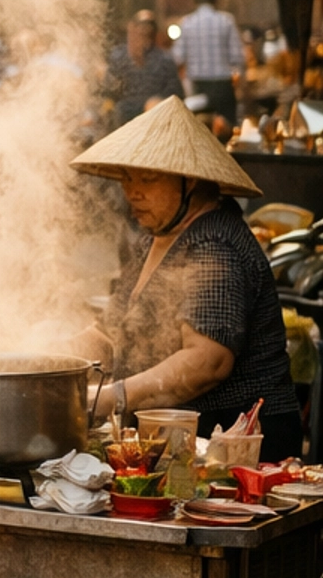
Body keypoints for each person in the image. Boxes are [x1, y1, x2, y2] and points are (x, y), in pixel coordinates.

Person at [74, 95, 301, 456]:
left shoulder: (214, 242)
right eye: (128, 177)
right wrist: (49, 366)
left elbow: (206, 362)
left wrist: (108, 398)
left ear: (190, 182)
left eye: (148, 178)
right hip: (181, 441)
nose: (133, 191)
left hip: (237, 446)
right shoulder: (155, 237)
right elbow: (107, 331)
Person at [171, 0, 247, 127]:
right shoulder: (226, 20)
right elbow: (237, 56)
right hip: (223, 85)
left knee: (200, 130)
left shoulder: (187, 22)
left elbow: (177, 57)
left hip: (198, 86)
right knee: (226, 129)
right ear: (215, 0)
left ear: (195, 2)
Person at [104, 11, 184, 128]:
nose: (144, 32)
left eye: (148, 28)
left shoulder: (164, 59)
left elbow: (176, 91)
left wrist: (159, 101)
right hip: (124, 116)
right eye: (140, 28)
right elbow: (109, 89)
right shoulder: (119, 57)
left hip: (155, 116)